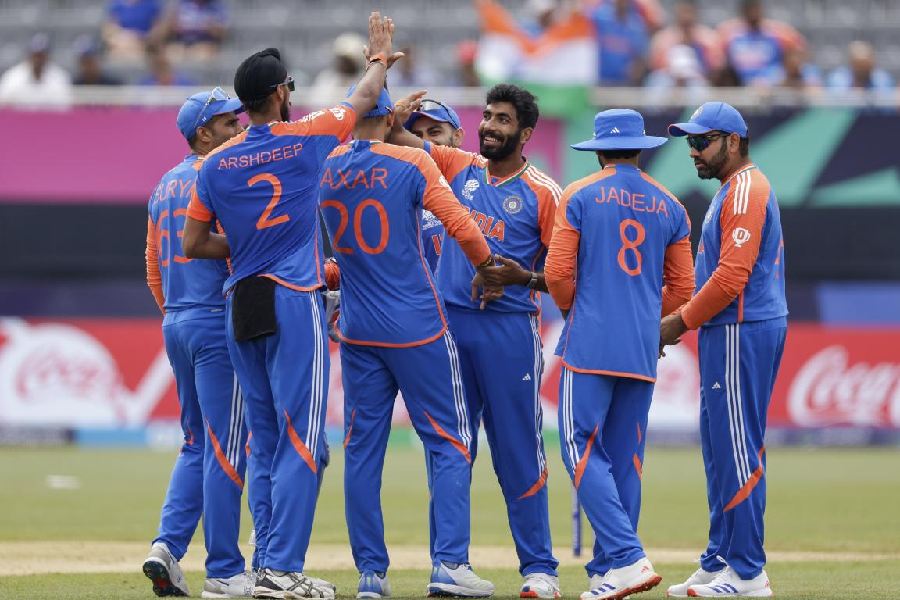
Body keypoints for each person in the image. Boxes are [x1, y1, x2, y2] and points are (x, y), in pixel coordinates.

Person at [182, 13, 401, 598]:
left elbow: (193, 245)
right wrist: (379, 57)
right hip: (292, 296)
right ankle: (280, 568)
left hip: (240, 301)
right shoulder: (305, 137)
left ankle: (262, 565)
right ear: (280, 94)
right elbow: (363, 98)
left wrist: (246, 241)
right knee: (304, 437)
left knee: (265, 438)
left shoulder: (215, 163)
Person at [319, 87, 495, 599]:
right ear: (391, 117)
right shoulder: (413, 165)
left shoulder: (325, 166)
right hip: (418, 326)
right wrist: (489, 269)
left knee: (362, 451)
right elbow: (461, 223)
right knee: (450, 440)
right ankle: (449, 565)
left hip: (356, 330)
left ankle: (371, 576)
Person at [390, 83, 562, 599]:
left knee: (517, 454)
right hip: (447, 333)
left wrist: (519, 278)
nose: (490, 126)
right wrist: (394, 107)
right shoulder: (455, 165)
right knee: (449, 451)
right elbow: (393, 137)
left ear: (525, 133)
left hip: (508, 335)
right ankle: (450, 566)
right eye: (487, 116)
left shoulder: (543, 192)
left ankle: (540, 571)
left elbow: (567, 276)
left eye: (503, 120)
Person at [544, 109, 694, 600]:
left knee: (578, 445)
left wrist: (579, 309)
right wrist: (646, 317)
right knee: (626, 457)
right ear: (641, 147)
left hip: (589, 342)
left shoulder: (579, 195)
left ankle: (627, 559)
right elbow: (683, 288)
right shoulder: (671, 205)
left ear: (600, 150)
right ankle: (609, 569)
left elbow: (558, 275)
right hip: (641, 347)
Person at [661, 102, 787, 598]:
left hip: (741, 327)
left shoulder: (747, 190)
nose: (692, 151)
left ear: (733, 141)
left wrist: (678, 321)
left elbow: (732, 276)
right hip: (727, 329)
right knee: (719, 450)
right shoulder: (731, 190)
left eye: (702, 141)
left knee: (737, 448)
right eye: (689, 142)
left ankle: (749, 572)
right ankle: (720, 560)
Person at [142, 87, 250, 598]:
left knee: (196, 442)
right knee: (228, 448)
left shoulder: (165, 183)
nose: (241, 129)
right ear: (204, 132)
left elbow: (151, 267)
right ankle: (226, 570)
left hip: (178, 323)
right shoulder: (221, 175)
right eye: (230, 123)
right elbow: (240, 249)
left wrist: (176, 314)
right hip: (213, 321)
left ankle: (166, 546)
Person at [404, 98, 465, 271]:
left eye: (434, 132)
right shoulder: (401, 193)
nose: (425, 143)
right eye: (416, 136)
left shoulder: (477, 184)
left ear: (458, 136)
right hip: (424, 297)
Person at [717, 0, 805, 87]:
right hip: (738, 83)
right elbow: (718, 60)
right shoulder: (729, 33)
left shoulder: (778, 32)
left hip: (771, 82)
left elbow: (798, 52)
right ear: (743, 11)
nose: (753, 13)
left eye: (756, 9)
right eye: (750, 10)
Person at [648, 0, 723, 78]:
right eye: (682, 12)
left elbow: (716, 66)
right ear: (676, 14)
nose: (685, 17)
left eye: (688, 12)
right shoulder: (663, 38)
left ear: (696, 13)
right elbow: (655, 66)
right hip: (668, 77)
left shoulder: (708, 38)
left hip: (699, 77)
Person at [0, 33, 72, 109]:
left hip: (50, 119)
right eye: (35, 55)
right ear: (29, 54)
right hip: (19, 119)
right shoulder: (12, 77)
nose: (38, 60)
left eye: (41, 55)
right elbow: (4, 105)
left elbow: (65, 107)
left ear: (48, 56)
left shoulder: (60, 77)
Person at [587, 0, 651, 85]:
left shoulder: (636, 26)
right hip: (598, 81)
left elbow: (641, 59)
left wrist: (636, 69)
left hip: (623, 84)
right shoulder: (599, 17)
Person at [826, 41, 895, 96]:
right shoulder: (839, 76)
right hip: (848, 113)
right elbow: (837, 100)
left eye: (865, 63)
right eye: (859, 64)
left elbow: (886, 103)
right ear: (852, 63)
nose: (862, 68)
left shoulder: (881, 77)